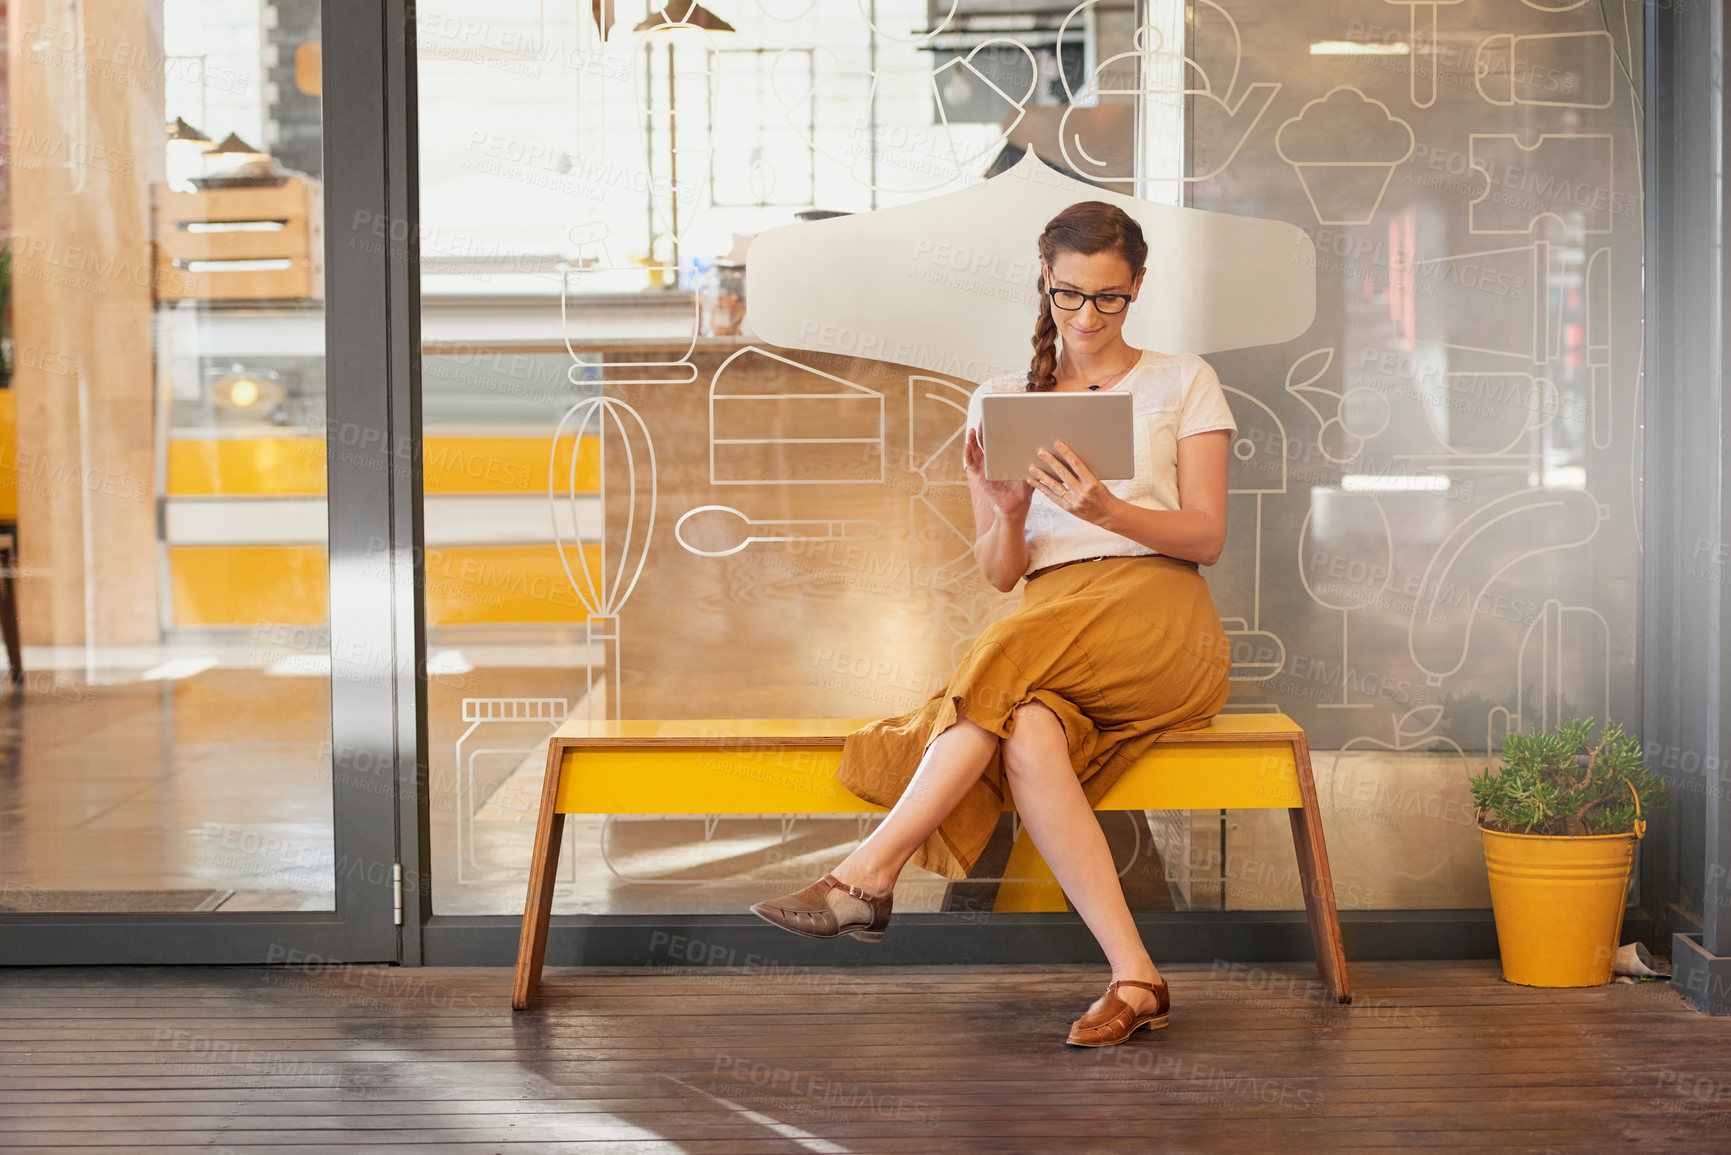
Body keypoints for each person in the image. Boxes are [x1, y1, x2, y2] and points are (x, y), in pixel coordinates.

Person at [750, 200, 1237, 1047]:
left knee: (1000, 654)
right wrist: (1010, 513)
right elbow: (1000, 572)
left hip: (1158, 616)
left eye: (1109, 298)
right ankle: (1137, 976)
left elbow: (1208, 535)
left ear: (1139, 288)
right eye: (1068, 296)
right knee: (1029, 731)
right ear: (1043, 283)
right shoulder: (1000, 400)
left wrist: (1108, 509)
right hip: (1050, 631)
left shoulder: (1181, 378)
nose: (1086, 317)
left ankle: (868, 871)